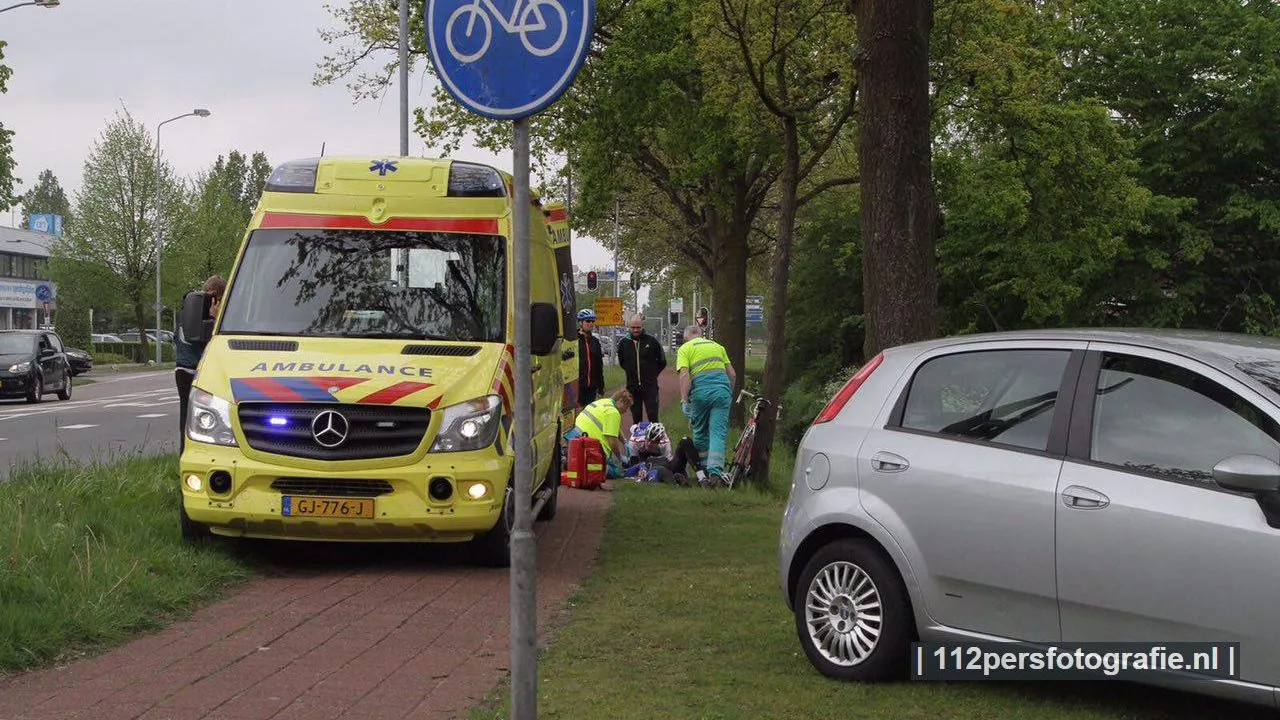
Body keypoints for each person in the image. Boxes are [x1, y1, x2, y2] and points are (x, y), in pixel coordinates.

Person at [677, 324, 737, 485]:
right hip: (722, 393)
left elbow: (684, 375)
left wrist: (684, 399)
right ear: (701, 334)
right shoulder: (718, 347)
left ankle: (703, 470)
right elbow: (732, 374)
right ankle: (715, 472)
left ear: (686, 337)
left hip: (700, 394)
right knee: (718, 433)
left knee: (701, 431)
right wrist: (729, 393)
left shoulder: (685, 349)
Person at [174, 275, 225, 453]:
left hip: (183, 367)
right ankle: (193, 452)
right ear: (213, 293)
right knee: (201, 415)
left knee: (187, 415)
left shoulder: (189, 307)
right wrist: (216, 319)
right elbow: (214, 341)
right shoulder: (200, 313)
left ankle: (186, 451)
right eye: (219, 298)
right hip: (193, 369)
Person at [567, 389, 635, 479]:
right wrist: (619, 458)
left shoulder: (604, 402)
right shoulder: (613, 413)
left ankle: (573, 459)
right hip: (590, 447)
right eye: (626, 407)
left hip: (574, 438)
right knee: (615, 472)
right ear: (621, 401)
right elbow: (612, 441)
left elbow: (614, 428)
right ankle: (589, 466)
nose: (626, 411)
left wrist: (625, 442)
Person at [621, 421, 708, 487]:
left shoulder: (664, 443)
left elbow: (670, 464)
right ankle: (675, 480)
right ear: (645, 436)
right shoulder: (635, 442)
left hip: (662, 463)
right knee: (647, 468)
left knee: (685, 441)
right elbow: (635, 466)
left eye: (653, 442)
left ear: (659, 441)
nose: (649, 444)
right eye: (648, 440)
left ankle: (702, 478)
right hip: (646, 463)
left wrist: (680, 472)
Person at [616, 313, 666, 424]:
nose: (635, 330)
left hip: (650, 386)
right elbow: (622, 362)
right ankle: (638, 436)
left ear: (642, 326)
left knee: (653, 416)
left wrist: (652, 374)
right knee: (636, 417)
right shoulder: (623, 343)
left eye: (638, 327)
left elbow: (662, 361)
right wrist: (631, 372)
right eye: (633, 327)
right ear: (629, 327)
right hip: (632, 387)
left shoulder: (652, 342)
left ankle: (654, 435)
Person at [576, 308, 605, 407]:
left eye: (592, 321)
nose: (591, 323)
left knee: (589, 413)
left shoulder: (595, 342)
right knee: (578, 413)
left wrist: (601, 387)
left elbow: (599, 365)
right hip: (578, 386)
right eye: (588, 321)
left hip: (592, 387)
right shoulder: (574, 340)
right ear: (580, 322)